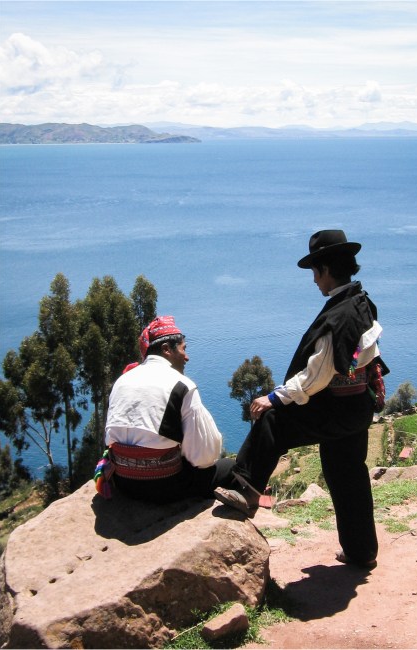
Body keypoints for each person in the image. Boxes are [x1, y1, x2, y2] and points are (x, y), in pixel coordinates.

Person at [214, 229, 386, 570]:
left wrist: (274, 398)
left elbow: (318, 373)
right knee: (347, 474)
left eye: (314, 272)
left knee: (272, 421)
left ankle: (246, 489)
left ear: (325, 270)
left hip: (337, 408)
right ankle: (361, 551)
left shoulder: (339, 315)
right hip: (357, 406)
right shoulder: (360, 301)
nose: (314, 281)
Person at [96, 315, 233, 503]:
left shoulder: (121, 381)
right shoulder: (181, 385)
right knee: (230, 467)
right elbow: (204, 457)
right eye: (183, 349)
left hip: (123, 484)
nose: (187, 357)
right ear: (166, 349)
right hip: (165, 488)